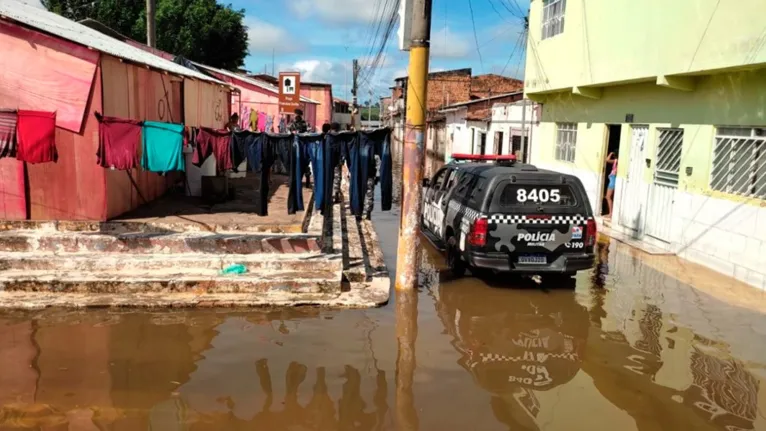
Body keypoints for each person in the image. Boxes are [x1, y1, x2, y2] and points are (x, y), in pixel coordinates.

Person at [605, 151, 618, 218]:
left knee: (608, 197)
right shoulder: (615, 164)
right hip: (611, 183)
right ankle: (610, 213)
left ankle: (610, 213)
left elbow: (607, 160)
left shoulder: (616, 163)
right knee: (608, 197)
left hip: (612, 184)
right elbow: (607, 160)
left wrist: (611, 153)